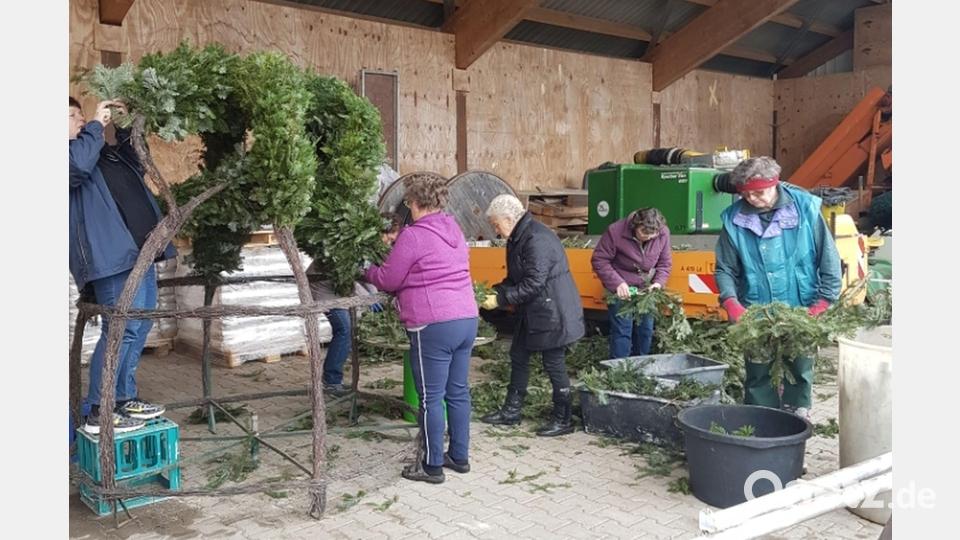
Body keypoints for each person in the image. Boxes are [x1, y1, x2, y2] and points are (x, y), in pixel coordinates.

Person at [364, 173, 479, 484]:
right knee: (457, 392)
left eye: (408, 202)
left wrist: (365, 271)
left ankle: (431, 466)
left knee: (430, 396)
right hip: (466, 317)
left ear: (414, 202)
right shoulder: (454, 228)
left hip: (434, 324)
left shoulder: (413, 236)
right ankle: (459, 455)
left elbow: (389, 279)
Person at [70, 97, 175, 434]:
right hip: (109, 258)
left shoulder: (102, 151)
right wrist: (96, 128)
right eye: (68, 117)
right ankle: (100, 409)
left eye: (77, 115)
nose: (77, 120)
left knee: (139, 326)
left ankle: (124, 399)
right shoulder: (72, 156)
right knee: (118, 329)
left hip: (139, 253)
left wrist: (127, 124)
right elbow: (75, 169)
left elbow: (136, 160)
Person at [715, 156, 841, 419]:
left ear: (774, 184)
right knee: (758, 372)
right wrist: (731, 301)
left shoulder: (805, 209)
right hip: (756, 313)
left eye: (758, 192)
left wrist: (823, 301)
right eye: (746, 194)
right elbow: (725, 268)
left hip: (801, 309)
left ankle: (795, 424)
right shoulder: (733, 219)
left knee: (799, 370)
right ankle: (760, 424)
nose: (752, 199)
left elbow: (828, 258)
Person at [479, 194, 585, 437]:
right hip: (535, 310)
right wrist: (493, 291)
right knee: (518, 356)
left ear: (509, 218)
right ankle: (511, 412)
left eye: (496, 224)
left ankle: (563, 419)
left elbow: (534, 283)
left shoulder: (536, 239)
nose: (495, 229)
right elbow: (515, 279)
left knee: (554, 364)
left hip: (554, 312)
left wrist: (501, 299)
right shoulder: (518, 237)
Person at [307, 213, 404, 397]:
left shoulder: (368, 246)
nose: (388, 243)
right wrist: (369, 297)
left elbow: (367, 274)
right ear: (381, 231)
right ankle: (331, 381)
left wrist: (374, 294)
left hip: (339, 289)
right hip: (324, 286)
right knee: (344, 329)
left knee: (347, 329)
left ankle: (332, 379)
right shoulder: (356, 243)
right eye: (388, 238)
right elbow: (351, 274)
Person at [591, 207, 672, 359]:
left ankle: (640, 365)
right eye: (644, 233)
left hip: (646, 289)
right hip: (621, 287)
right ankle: (620, 369)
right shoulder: (615, 231)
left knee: (646, 330)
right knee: (622, 330)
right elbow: (599, 260)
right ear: (635, 226)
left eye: (652, 234)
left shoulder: (663, 233)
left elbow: (665, 264)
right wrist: (618, 283)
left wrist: (658, 283)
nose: (648, 237)